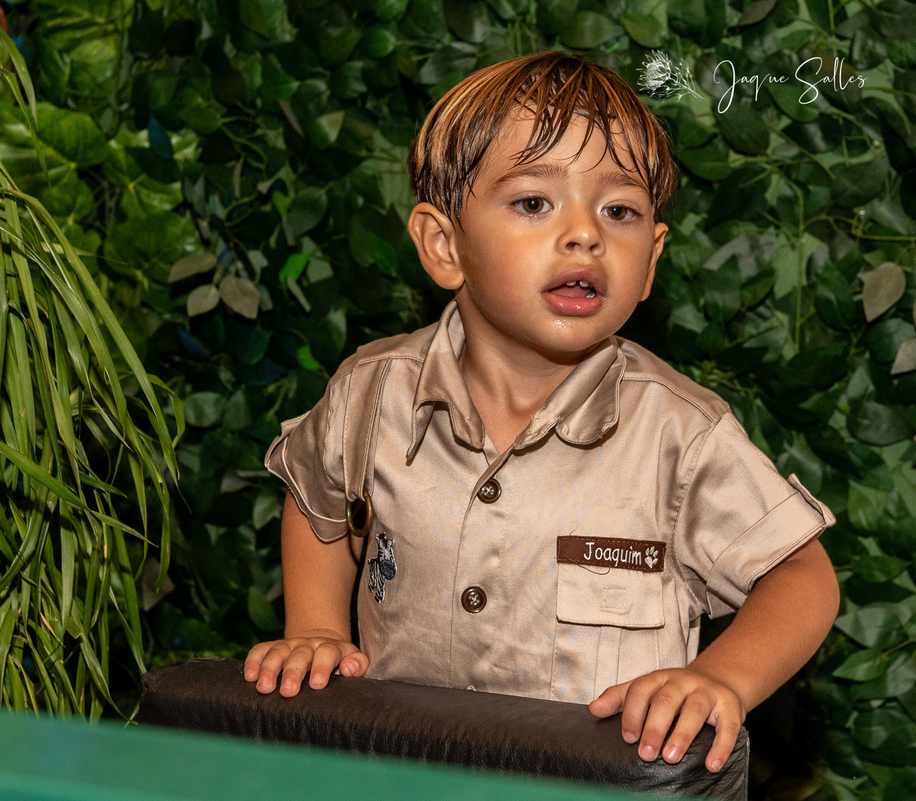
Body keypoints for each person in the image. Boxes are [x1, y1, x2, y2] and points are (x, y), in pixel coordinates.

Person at [242, 51, 839, 774]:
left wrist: (721, 679)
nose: (586, 234)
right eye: (534, 202)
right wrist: (313, 625)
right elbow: (316, 502)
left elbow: (802, 575)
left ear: (650, 260)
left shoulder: (681, 431)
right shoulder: (368, 392)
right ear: (443, 243)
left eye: (619, 210)